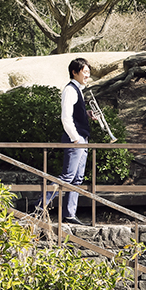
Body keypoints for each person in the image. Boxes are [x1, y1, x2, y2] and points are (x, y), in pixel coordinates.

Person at [43, 57, 91, 226]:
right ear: (74, 72)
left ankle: (69, 214)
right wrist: (76, 138)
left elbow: (75, 115)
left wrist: (87, 116)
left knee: (77, 178)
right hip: (75, 140)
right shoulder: (70, 90)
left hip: (81, 139)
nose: (87, 75)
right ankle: (39, 207)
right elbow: (66, 117)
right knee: (67, 176)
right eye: (85, 72)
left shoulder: (78, 90)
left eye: (88, 72)